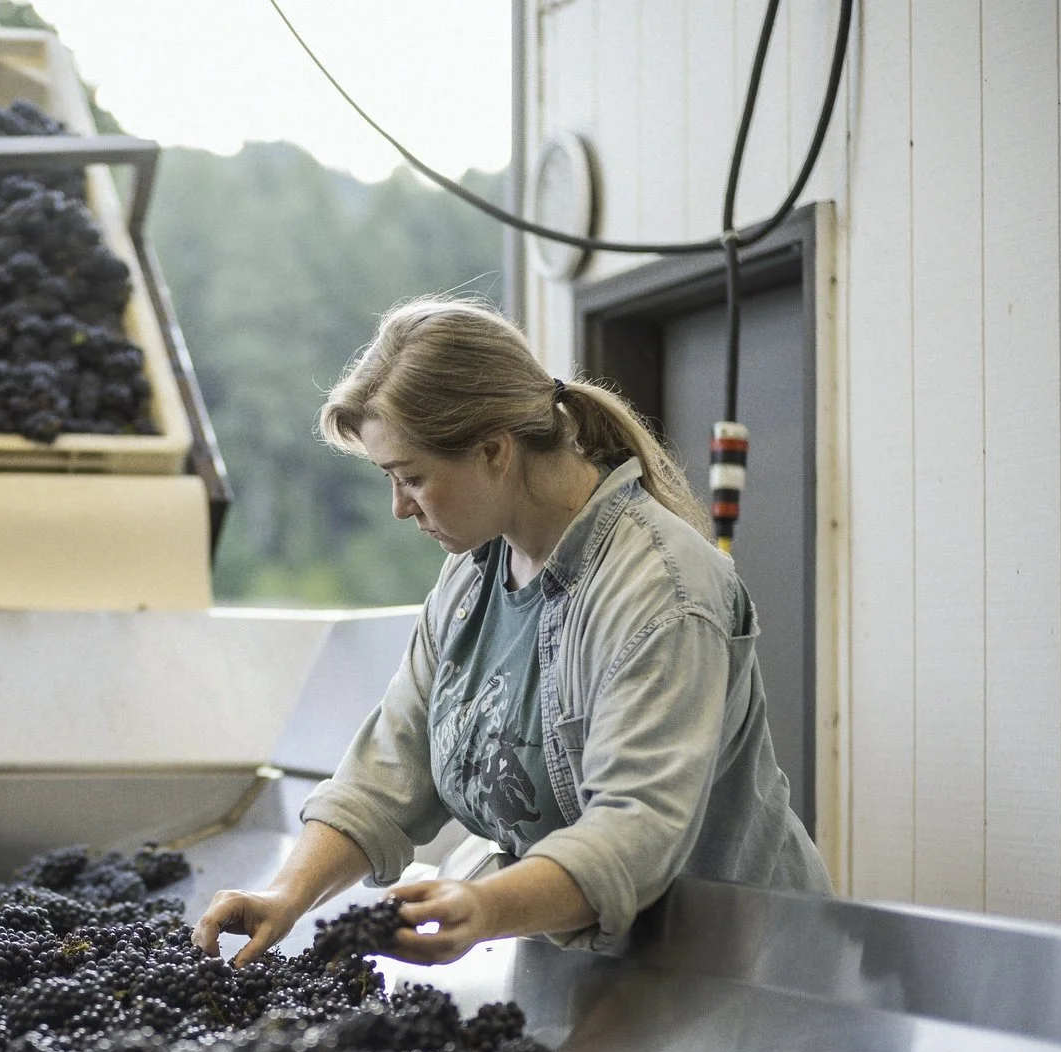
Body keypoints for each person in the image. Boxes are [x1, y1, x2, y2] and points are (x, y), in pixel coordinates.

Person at [194, 299, 829, 969]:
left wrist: (487, 906)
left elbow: (635, 832)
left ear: (495, 451)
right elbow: (391, 768)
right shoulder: (472, 575)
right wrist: (287, 895)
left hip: (745, 971)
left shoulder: (661, 593)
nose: (399, 507)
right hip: (602, 973)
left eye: (412, 478)